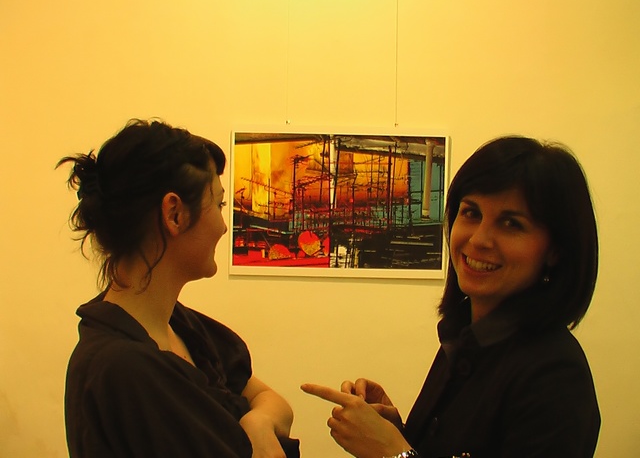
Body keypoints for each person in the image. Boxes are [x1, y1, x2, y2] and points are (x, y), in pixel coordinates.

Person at [302, 136, 600, 458]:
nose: (479, 239)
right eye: (471, 213)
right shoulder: (464, 339)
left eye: (510, 223)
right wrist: (396, 431)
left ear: (555, 250)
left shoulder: (556, 376)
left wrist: (392, 452)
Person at [58, 119, 299, 458]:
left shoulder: (182, 326)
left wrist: (258, 422)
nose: (224, 226)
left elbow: (272, 401)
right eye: (219, 205)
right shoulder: (124, 369)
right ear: (174, 214)